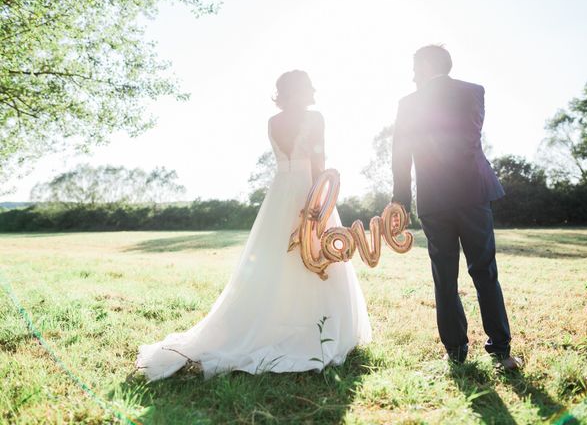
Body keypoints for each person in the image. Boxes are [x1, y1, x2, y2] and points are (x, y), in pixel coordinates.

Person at [136, 70, 371, 381]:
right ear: (303, 90)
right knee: (317, 255)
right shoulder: (315, 119)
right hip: (309, 192)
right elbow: (319, 164)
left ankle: (274, 321)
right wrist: (320, 209)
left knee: (275, 260)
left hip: (279, 193)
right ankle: (317, 329)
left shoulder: (273, 122)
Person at [391, 45, 521, 369]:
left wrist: (401, 202)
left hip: (434, 200)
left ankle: (457, 353)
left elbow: (400, 157)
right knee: (484, 271)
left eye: (414, 66)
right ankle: (502, 352)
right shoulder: (473, 92)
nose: (411, 74)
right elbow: (469, 138)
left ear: (426, 65)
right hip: (472, 192)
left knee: (444, 278)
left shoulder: (408, 104)